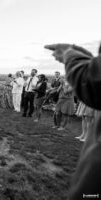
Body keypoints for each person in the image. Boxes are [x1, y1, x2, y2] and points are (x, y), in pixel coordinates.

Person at [45, 43, 101, 199]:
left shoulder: (68, 83)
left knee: (67, 115)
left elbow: (91, 85)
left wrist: (70, 54)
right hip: (64, 100)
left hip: (69, 100)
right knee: (67, 115)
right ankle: (81, 134)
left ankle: (66, 129)